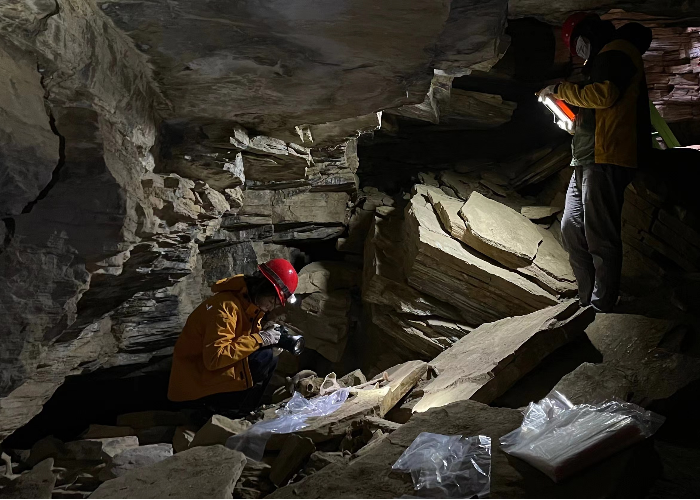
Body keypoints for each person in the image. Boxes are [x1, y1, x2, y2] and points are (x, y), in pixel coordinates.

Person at [539, 13, 652, 312]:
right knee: (571, 228)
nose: (579, 53)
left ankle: (602, 306)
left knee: (600, 235)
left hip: (607, 156)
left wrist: (560, 90)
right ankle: (587, 298)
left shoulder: (617, 52)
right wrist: (573, 125)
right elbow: (600, 108)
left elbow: (605, 95)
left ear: (587, 35)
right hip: (588, 156)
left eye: (578, 46)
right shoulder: (605, 57)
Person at [167, 259, 299, 415]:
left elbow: (237, 342)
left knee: (270, 356)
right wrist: (260, 339)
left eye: (275, 305)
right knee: (263, 358)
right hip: (195, 386)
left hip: (207, 377)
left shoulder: (248, 307)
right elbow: (215, 358)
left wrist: (263, 336)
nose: (271, 308)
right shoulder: (225, 307)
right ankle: (221, 412)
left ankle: (245, 411)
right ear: (261, 287)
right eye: (271, 301)